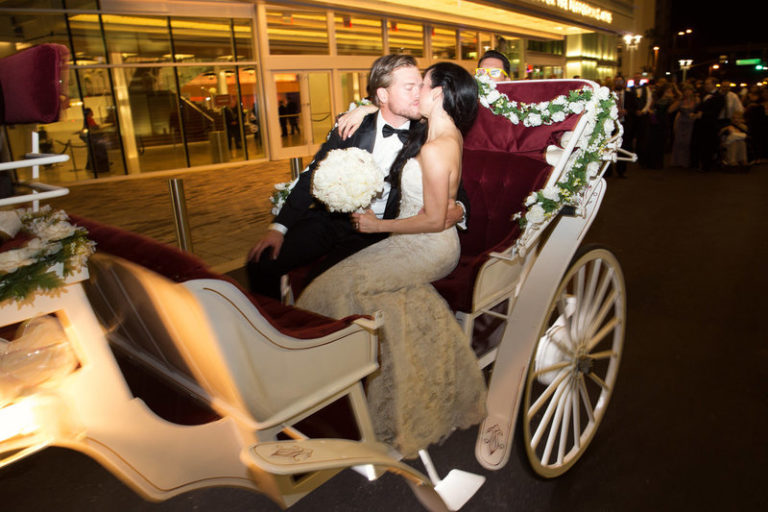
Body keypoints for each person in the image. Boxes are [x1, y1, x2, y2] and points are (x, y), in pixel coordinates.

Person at [296, 62, 486, 458]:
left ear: (438, 95)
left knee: (338, 287)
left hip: (429, 246)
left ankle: (335, 384)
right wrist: (366, 108)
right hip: (414, 238)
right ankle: (375, 385)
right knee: (378, 298)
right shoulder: (440, 133)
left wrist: (376, 226)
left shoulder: (436, 148)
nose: (416, 93)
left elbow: (435, 219)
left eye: (423, 87)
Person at [246, 54, 466, 300]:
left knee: (319, 285)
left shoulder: (430, 134)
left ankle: (315, 332)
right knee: (260, 263)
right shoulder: (352, 126)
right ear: (382, 95)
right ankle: (275, 331)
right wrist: (279, 227)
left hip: (380, 232)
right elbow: (312, 175)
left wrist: (459, 208)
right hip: (331, 221)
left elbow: (456, 186)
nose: (419, 93)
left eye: (420, 85)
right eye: (409, 87)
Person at [691, 77, 725, 172]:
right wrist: (695, 112)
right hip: (700, 123)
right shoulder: (704, 95)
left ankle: (706, 165)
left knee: (707, 145)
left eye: (707, 84)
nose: (705, 86)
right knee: (698, 143)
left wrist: (703, 114)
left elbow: (716, 111)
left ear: (714, 85)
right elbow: (700, 106)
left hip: (709, 124)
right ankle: (696, 163)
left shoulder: (719, 96)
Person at [670, 84, 699, 167]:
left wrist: (695, 115)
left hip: (691, 123)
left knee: (687, 142)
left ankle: (686, 161)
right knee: (679, 141)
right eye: (686, 91)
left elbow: (699, 110)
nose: (687, 92)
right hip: (681, 122)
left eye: (689, 90)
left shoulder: (696, 100)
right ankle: (677, 161)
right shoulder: (681, 101)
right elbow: (670, 110)